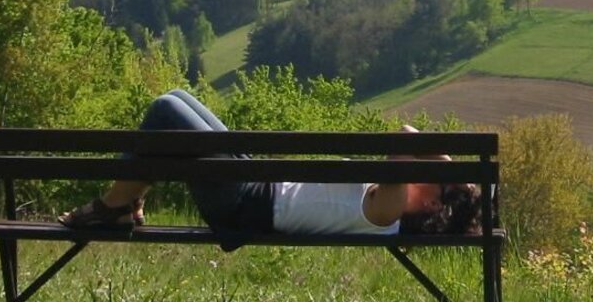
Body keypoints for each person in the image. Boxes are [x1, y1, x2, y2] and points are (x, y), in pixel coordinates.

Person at [59, 89, 482, 239]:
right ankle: (123, 203)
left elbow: (407, 135)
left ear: (430, 206)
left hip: (244, 203)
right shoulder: (388, 202)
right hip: (254, 181)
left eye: (439, 182)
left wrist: (447, 168)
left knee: (166, 111)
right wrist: (454, 177)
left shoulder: (386, 212)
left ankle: (113, 206)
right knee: (178, 100)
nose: (435, 170)